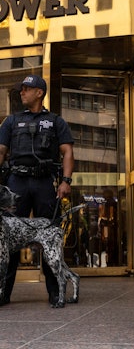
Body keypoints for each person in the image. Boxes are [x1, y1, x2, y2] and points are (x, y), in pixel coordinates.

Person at [0, 75, 74, 305]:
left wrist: (66, 181)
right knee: (8, 239)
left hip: (43, 183)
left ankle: (54, 292)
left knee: (48, 238)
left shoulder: (55, 121)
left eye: (26, 89)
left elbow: (67, 152)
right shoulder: (11, 121)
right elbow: (1, 151)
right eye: (21, 90)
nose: (21, 93)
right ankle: (4, 293)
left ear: (39, 92)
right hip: (16, 183)